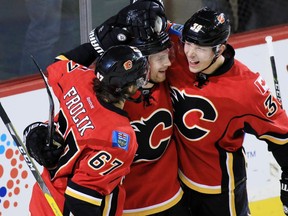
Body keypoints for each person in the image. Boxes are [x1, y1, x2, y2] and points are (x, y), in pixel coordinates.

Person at [166, 7, 288, 216]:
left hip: (220, 190)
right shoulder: (177, 51)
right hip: (177, 183)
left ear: (220, 49)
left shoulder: (247, 88)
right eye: (189, 43)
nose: (190, 53)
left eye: (201, 48)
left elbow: (282, 137)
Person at [23, 44, 148, 216]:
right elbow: (80, 200)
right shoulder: (119, 136)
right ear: (132, 88)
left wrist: (34, 132)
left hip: (43, 201)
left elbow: (59, 62)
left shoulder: (79, 80)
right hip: (63, 208)